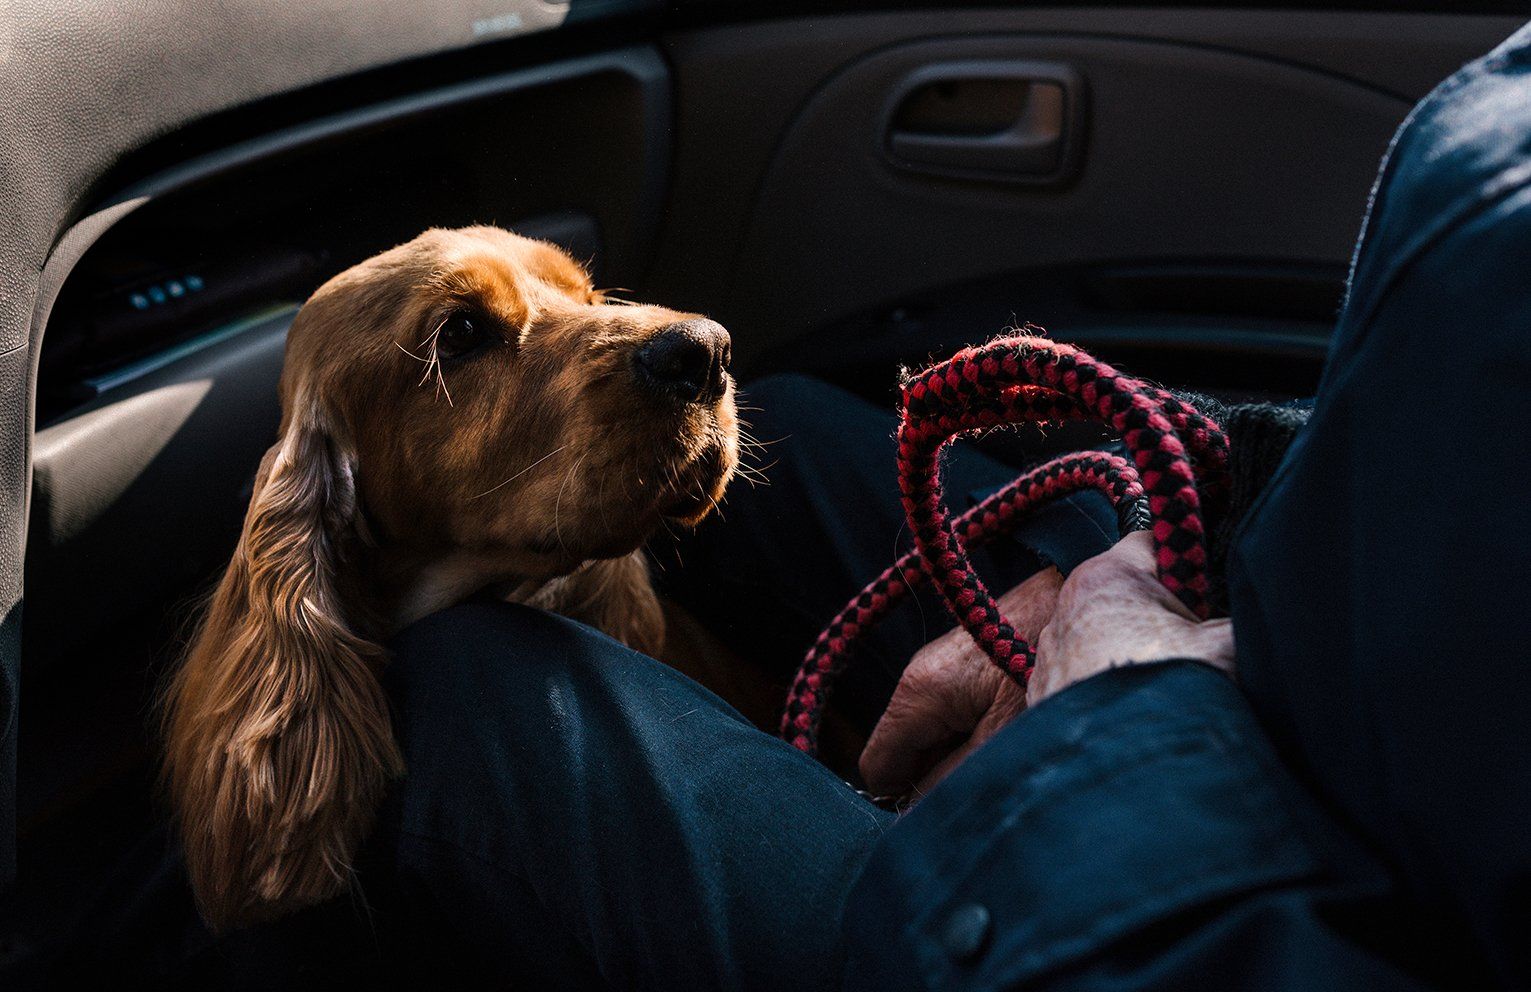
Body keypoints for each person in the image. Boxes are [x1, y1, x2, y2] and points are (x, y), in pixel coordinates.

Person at [249, 23, 1531, 990]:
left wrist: (1126, 727)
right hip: (1366, 648)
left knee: (456, 685)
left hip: (1193, 906)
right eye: (471, 338)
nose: (672, 336)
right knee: (794, 427)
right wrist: (1207, 511)